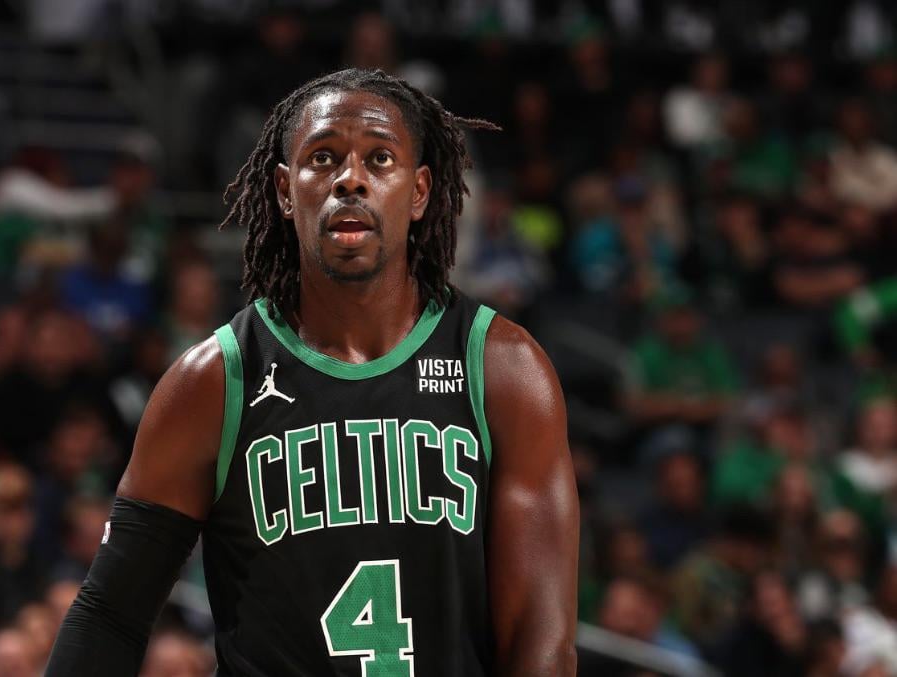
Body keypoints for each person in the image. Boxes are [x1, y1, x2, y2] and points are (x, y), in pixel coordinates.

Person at [47, 68, 579, 675]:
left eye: (380, 159)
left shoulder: (504, 369)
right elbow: (109, 614)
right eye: (323, 158)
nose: (350, 178)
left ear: (420, 192)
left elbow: (541, 640)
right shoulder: (213, 381)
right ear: (283, 189)